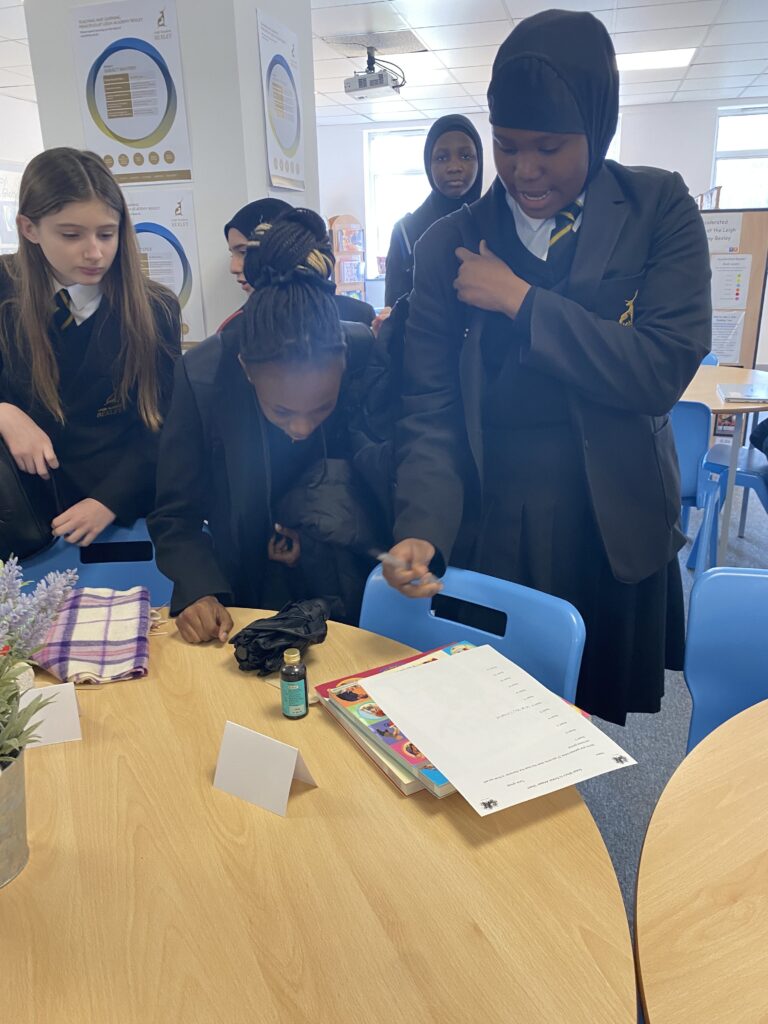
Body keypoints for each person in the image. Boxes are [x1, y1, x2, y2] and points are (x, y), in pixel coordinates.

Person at [381, 10, 712, 726]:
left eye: (550, 148)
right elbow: (430, 409)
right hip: (492, 513)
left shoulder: (658, 209)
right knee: (486, 711)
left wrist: (522, 302)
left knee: (582, 713)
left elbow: (658, 368)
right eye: (506, 146)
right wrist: (423, 527)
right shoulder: (447, 243)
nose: (524, 170)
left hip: (612, 514)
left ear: (598, 128)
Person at [149, 207, 392, 644]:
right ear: (246, 369)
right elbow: (174, 515)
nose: (300, 427)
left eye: (321, 408)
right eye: (281, 412)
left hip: (344, 585)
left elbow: (381, 478)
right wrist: (199, 588)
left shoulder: (361, 352)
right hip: (240, 585)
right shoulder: (203, 376)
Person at [0, 148, 181, 547]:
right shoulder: (4, 291)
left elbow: (166, 424)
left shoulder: (154, 308)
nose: (94, 252)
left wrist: (109, 500)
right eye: (71, 235)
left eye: (106, 233)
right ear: (29, 228)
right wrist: (4, 413)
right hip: (24, 518)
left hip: (125, 512)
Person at [224, 199, 376, 329]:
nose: (233, 268)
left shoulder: (358, 316)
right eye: (233, 254)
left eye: (244, 252)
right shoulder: (236, 328)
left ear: (288, 247)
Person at [384, 114, 483, 307]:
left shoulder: (496, 224)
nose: (454, 167)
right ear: (428, 165)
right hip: (421, 335)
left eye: (465, 156)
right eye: (441, 157)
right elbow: (392, 313)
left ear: (479, 161)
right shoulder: (406, 232)